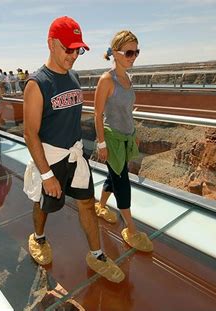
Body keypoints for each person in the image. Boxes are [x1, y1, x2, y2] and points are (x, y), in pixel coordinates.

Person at [23, 16, 124, 283]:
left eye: (77, 50)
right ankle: (38, 237)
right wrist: (46, 175)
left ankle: (97, 254)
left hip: (74, 155)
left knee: (87, 205)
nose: (74, 56)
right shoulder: (37, 84)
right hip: (51, 158)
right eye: (68, 49)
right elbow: (29, 133)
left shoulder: (74, 77)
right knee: (43, 204)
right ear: (51, 43)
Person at [94, 30, 152, 252]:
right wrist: (101, 145)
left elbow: (128, 111)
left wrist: (134, 134)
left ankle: (100, 206)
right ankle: (130, 229)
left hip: (127, 137)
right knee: (122, 182)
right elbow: (98, 115)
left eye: (136, 52)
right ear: (115, 54)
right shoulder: (106, 80)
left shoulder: (128, 78)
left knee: (114, 173)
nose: (133, 57)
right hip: (112, 140)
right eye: (129, 52)